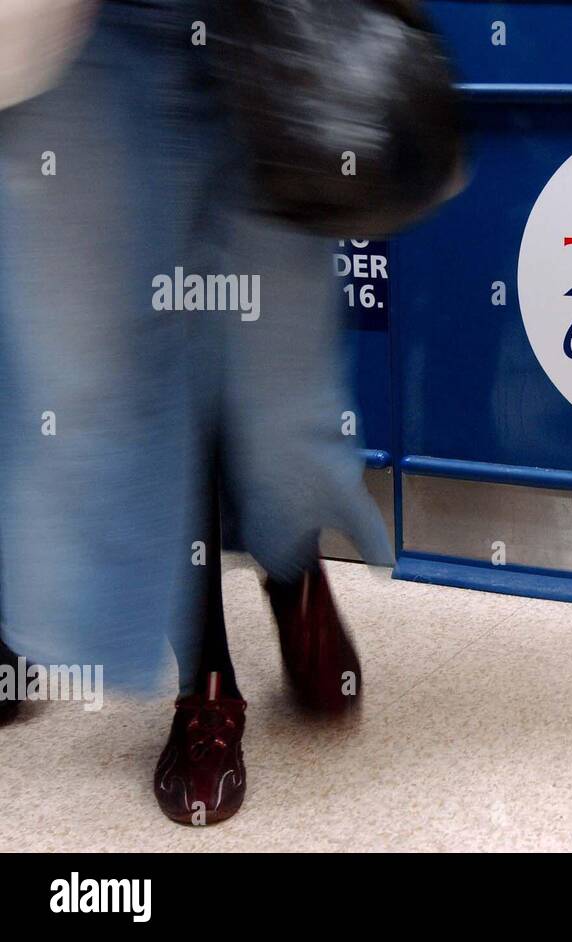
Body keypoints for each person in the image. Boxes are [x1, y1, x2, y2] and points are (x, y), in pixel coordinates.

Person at [0, 0, 393, 823]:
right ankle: (206, 681)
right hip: (82, 43)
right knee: (107, 382)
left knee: (276, 376)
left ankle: (292, 567)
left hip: (269, 25)